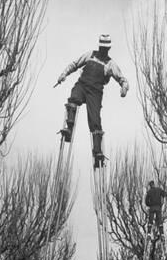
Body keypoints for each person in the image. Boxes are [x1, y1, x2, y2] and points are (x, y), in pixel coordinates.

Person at [53, 34, 129, 166]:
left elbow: (122, 78)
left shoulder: (110, 64)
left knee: (95, 121)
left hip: (95, 92)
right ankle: (69, 128)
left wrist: (124, 87)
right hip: (83, 85)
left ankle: (97, 150)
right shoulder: (90, 55)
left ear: (108, 48)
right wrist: (63, 74)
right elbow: (75, 64)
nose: (104, 50)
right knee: (73, 97)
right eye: (102, 48)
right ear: (100, 46)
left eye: (106, 48)